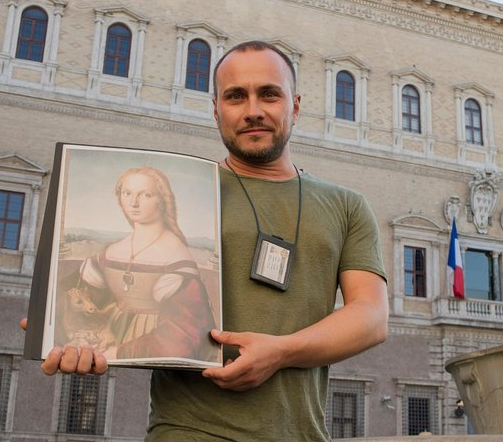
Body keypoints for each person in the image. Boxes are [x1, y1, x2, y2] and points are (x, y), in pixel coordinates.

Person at [24, 40, 388, 441]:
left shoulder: (346, 205)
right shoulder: (186, 191)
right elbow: (112, 306)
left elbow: (371, 318)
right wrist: (71, 333)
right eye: (235, 97)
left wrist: (281, 352)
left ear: (295, 105)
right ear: (216, 110)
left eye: (269, 94)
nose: (253, 110)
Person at [60, 166, 218, 362]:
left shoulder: (176, 255)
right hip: (110, 332)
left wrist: (120, 352)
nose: (133, 203)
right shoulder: (111, 251)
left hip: (151, 343)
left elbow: (188, 330)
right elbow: (81, 296)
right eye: (127, 193)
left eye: (145, 195)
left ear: (161, 199)